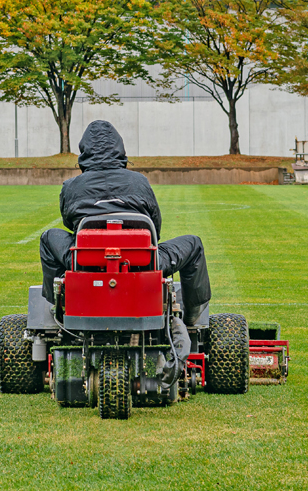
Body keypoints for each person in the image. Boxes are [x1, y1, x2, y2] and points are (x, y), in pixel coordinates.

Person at [40, 120, 212, 334]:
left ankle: (59, 305)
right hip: (143, 261)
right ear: (120, 150)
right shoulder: (139, 181)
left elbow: (69, 223)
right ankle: (192, 318)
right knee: (193, 244)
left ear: (83, 152)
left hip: (84, 260)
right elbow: (154, 230)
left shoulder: (71, 186)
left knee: (49, 238)